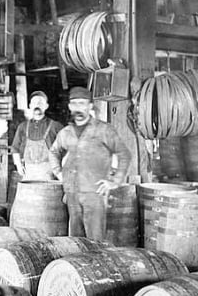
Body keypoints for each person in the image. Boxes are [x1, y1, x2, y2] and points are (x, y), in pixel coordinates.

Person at [49, 86, 131, 241]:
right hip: (72, 194)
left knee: (95, 242)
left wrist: (115, 181)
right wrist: (59, 173)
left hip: (94, 194)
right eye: (74, 104)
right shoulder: (66, 132)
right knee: (75, 242)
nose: (78, 108)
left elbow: (124, 154)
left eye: (82, 103)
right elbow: (53, 152)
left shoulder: (103, 130)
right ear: (69, 107)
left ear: (90, 106)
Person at [11, 90, 64, 181]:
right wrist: (19, 165)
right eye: (34, 102)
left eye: (41, 102)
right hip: (28, 172)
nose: (37, 105)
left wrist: (59, 171)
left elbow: (65, 150)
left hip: (49, 174)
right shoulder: (22, 127)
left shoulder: (56, 126)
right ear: (30, 106)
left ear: (46, 106)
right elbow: (15, 148)